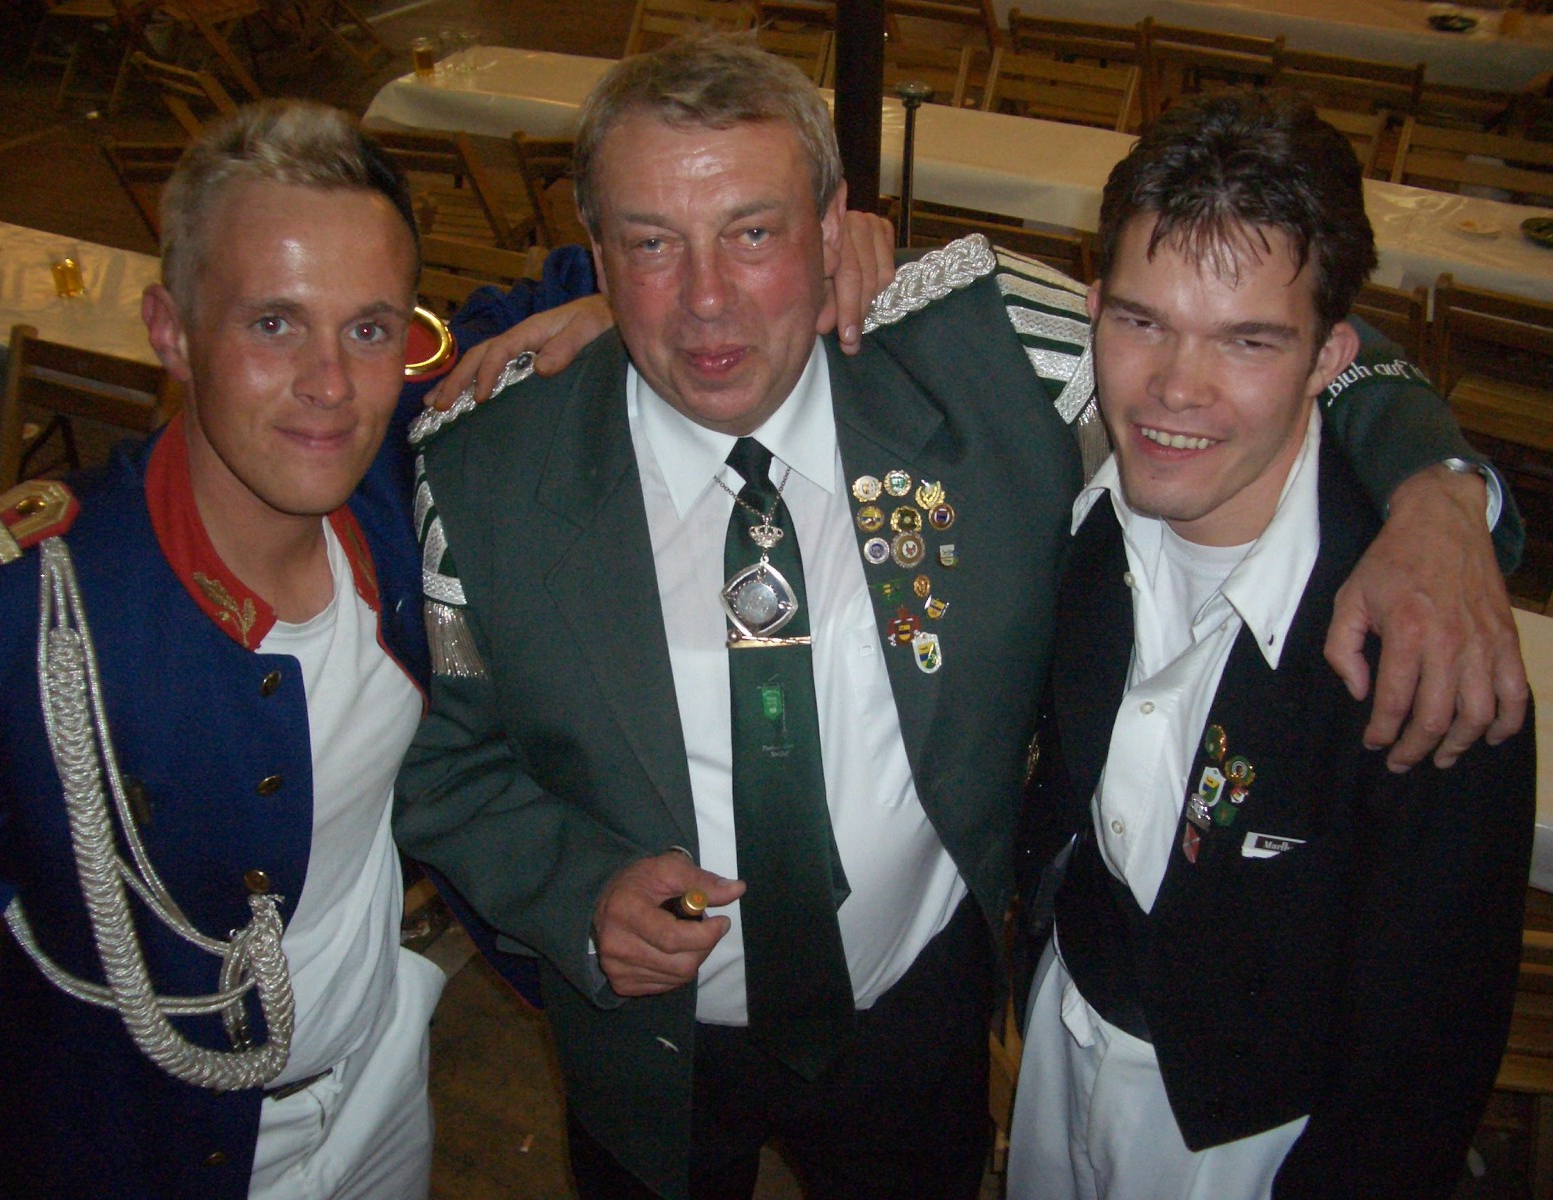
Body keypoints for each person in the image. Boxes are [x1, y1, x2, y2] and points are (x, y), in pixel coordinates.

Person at [395, 35, 1524, 1200]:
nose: (707, 299)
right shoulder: (482, 479)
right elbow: (447, 769)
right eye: (650, 244)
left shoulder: (992, 356)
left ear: (832, 227)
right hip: (645, 1052)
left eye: (753, 232)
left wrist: (1440, 491)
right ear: (597, 255)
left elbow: (1254, 315)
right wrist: (575, 891)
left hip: (923, 1022)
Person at [1007, 91, 1535, 1199]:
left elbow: (1425, 1054)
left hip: (1258, 1132)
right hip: (1063, 1032)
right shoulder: (1075, 515)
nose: (1174, 389)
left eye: (1247, 341)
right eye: (1140, 322)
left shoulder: (1426, 637)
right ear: (1092, 311)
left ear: (1329, 355)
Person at [0, 101, 442, 1199]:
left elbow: (567, 302)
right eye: (274, 323)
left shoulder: (391, 497)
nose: (330, 383)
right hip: (139, 1152)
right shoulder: (21, 619)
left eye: (368, 330)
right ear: (169, 331)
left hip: (380, 1093)